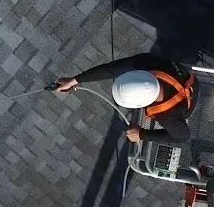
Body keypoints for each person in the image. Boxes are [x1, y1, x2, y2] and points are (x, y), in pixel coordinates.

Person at [55, 53, 194, 143]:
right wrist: (74, 80)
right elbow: (109, 69)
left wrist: (142, 134)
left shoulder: (167, 117)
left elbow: (182, 136)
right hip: (188, 80)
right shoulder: (148, 62)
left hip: (187, 104)